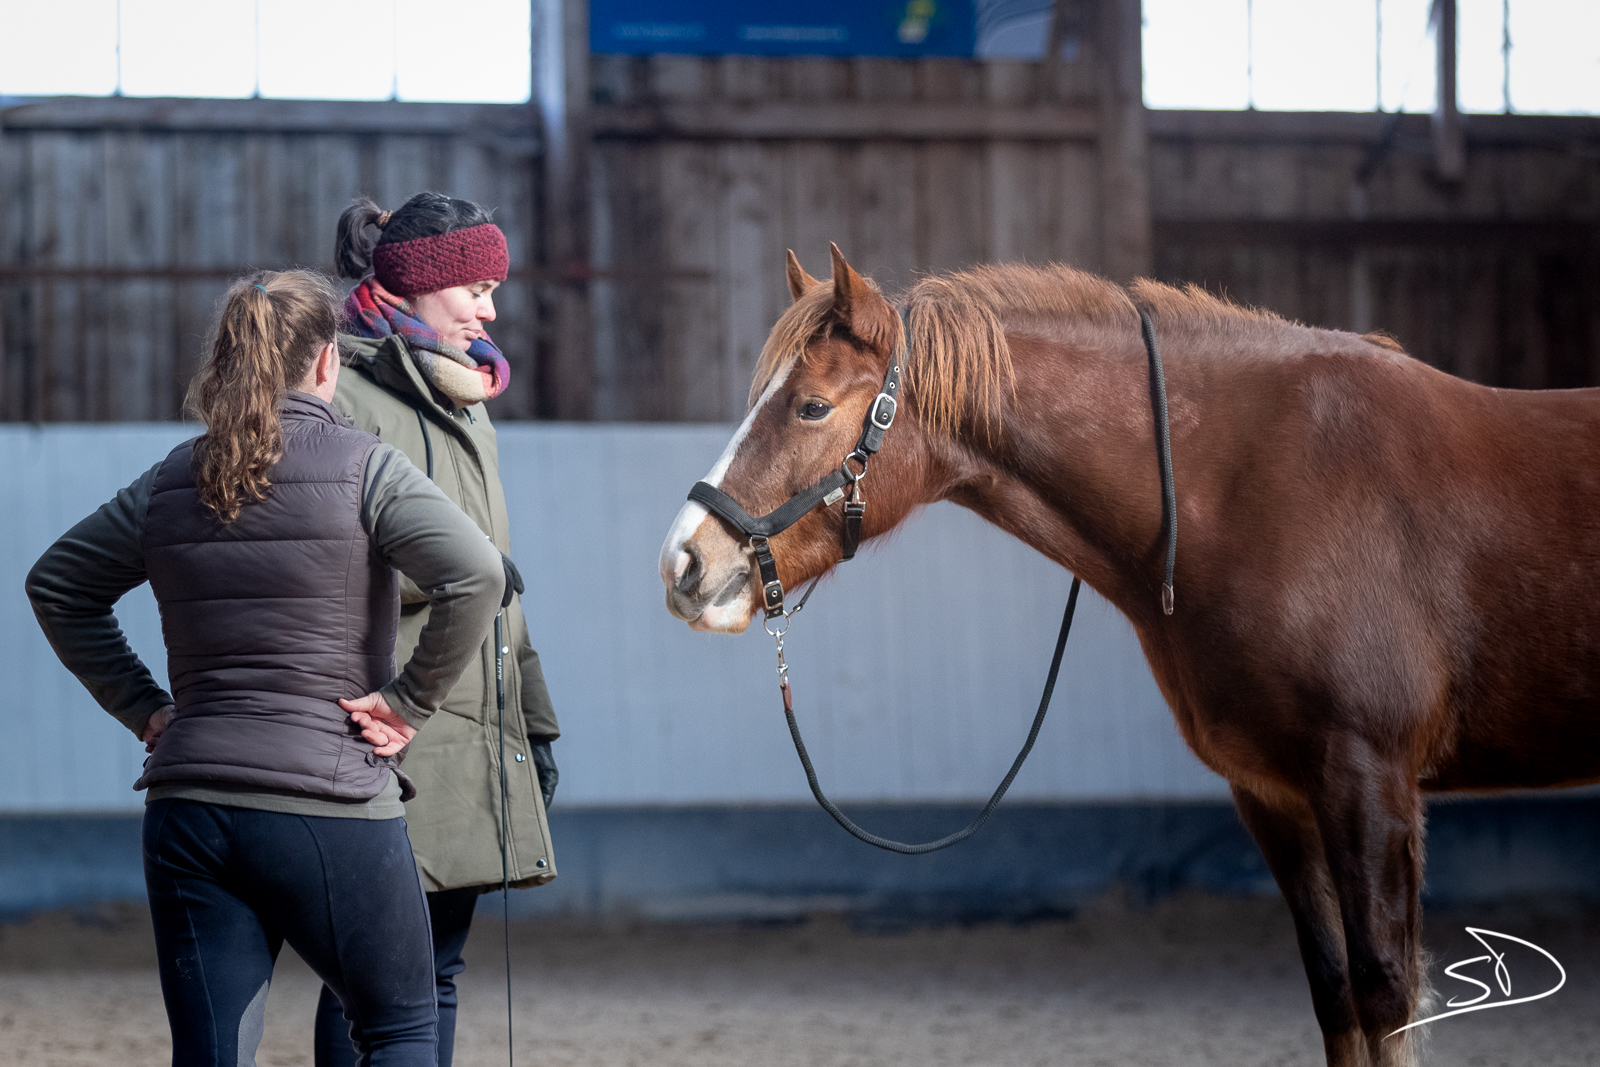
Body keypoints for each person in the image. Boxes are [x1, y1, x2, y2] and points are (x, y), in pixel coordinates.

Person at [25, 270, 506, 1066]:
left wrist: (142, 706)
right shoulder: (365, 467)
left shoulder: (172, 477)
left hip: (190, 809)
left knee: (211, 1052)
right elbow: (479, 574)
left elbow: (57, 583)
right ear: (327, 363)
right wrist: (408, 702)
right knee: (399, 1028)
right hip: (327, 804)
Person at [318, 192, 560, 1067]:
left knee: (437, 968)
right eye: (475, 288)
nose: (491, 309)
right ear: (416, 287)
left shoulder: (469, 397)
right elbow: (329, 560)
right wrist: (448, 579)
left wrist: (532, 715)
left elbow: (500, 576)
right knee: (370, 975)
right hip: (382, 721)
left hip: (469, 719)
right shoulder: (337, 393)